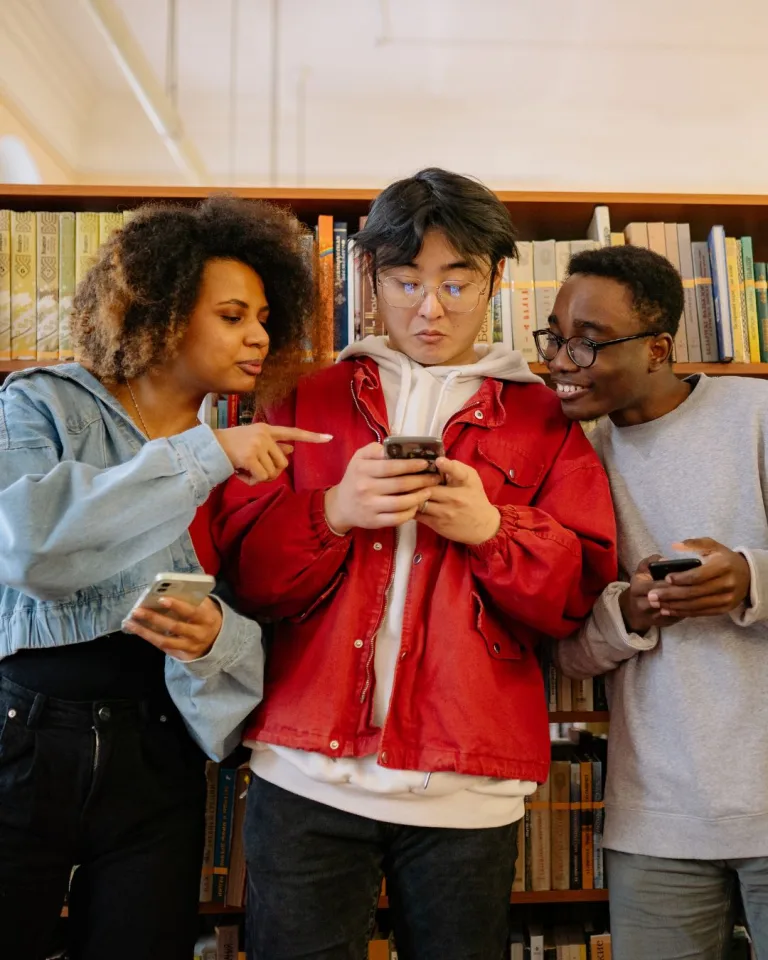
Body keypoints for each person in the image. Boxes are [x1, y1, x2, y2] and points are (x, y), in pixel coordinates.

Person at [216, 168, 618, 960]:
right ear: (371, 280)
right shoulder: (308, 397)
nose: (429, 309)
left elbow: (574, 597)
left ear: (496, 282)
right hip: (305, 772)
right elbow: (247, 580)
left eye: (456, 283)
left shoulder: (547, 418)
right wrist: (332, 511)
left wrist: (490, 529)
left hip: (468, 788)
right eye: (406, 281)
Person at [0, 196, 330, 960]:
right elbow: (28, 551)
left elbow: (270, 632)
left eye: (265, 317)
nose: (259, 335)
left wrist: (218, 639)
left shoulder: (258, 451)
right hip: (25, 737)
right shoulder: (40, 401)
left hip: (163, 751)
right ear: (163, 310)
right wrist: (206, 456)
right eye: (233, 314)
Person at [541, 243, 768, 960]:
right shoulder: (568, 461)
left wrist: (751, 579)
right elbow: (567, 650)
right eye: (554, 336)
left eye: (588, 342)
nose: (560, 361)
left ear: (659, 347)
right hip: (656, 820)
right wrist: (631, 614)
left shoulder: (757, 414)